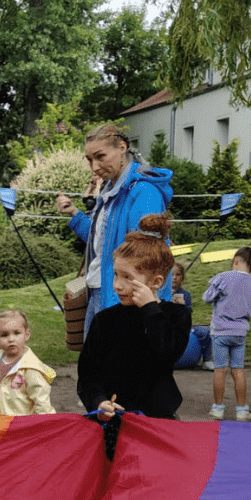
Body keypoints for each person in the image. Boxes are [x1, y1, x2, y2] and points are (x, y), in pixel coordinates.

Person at [56, 125, 174, 339]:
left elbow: (145, 259)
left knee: (117, 369)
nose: (94, 166)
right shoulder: (109, 191)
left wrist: (137, 310)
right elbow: (102, 244)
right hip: (98, 291)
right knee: (96, 367)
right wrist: (75, 214)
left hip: (123, 298)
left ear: (122, 148)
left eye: (100, 156)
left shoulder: (144, 192)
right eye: (89, 159)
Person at [76, 213, 191, 421]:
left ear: (155, 282)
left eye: (127, 277)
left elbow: (167, 354)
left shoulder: (176, 315)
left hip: (156, 420)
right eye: (116, 274)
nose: (117, 285)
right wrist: (98, 402)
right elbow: (88, 374)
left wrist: (150, 310)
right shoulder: (105, 320)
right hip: (112, 419)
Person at [204, 244, 251, 421]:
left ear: (236, 261)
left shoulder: (222, 278)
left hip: (220, 332)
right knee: (238, 370)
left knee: (220, 369)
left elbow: (207, 298)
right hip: (240, 333)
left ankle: (217, 408)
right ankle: (241, 410)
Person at [0, 309, 56, 415]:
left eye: (17, 333)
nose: (11, 339)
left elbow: (41, 400)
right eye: (4, 335)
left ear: (27, 334)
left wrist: (47, 423)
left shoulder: (31, 367)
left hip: (21, 426)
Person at [170, 261, 214, 370]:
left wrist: (182, 307)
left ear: (182, 278)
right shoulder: (160, 293)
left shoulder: (186, 294)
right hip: (166, 328)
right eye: (171, 275)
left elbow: (188, 314)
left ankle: (207, 360)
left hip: (184, 328)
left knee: (205, 332)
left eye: (178, 275)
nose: (174, 278)